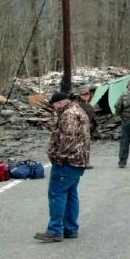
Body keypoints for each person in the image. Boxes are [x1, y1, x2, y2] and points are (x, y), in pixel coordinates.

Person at [34, 91, 91, 243]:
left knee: (57, 194)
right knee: (71, 194)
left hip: (67, 161)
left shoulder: (69, 115)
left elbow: (67, 140)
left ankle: (55, 230)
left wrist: (57, 157)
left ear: (60, 103)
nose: (54, 110)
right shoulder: (78, 110)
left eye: (55, 106)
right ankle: (70, 228)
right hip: (79, 160)